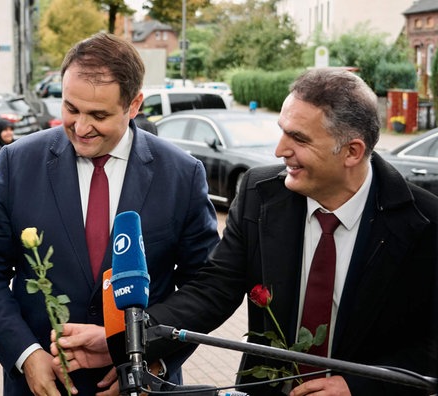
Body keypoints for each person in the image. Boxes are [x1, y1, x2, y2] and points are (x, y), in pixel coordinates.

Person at [55, 68, 438, 395]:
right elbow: (214, 289)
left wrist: (360, 386)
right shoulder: (260, 192)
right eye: (282, 131)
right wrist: (125, 340)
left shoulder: (425, 223)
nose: (278, 150)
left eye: (299, 139)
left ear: (352, 152)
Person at [0, 32, 220, 396]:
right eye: (71, 109)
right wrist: (25, 354)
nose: (80, 128)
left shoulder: (181, 173)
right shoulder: (18, 163)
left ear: (134, 105)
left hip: (143, 386)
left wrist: (152, 360)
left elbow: (205, 288)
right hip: (42, 383)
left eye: (98, 115)